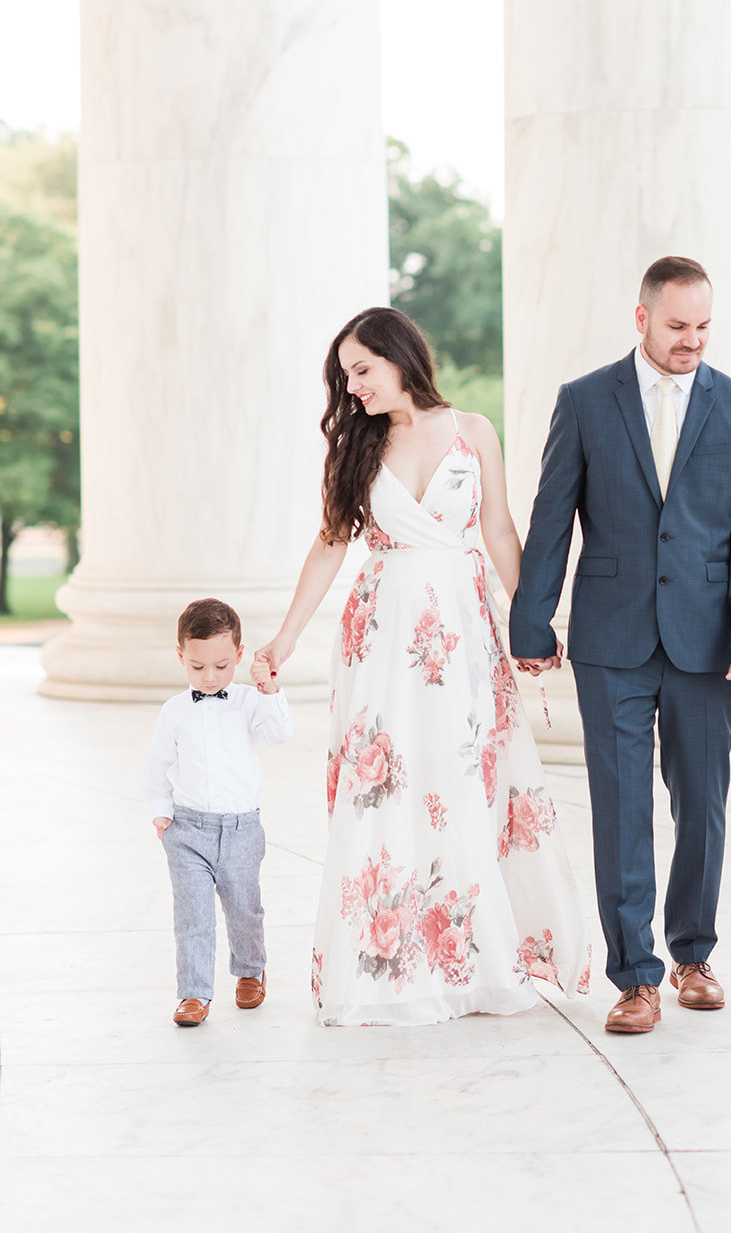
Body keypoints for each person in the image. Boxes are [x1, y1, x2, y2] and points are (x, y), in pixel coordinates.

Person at [257, 307, 588, 1026]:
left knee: (463, 776)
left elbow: (498, 526)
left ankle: (473, 960)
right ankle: (385, 969)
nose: (354, 387)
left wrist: (532, 621)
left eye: (362, 370)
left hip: (462, 628)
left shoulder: (473, 431)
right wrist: (285, 639)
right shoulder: (357, 443)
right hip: (383, 636)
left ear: (399, 356)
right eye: (346, 377)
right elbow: (329, 543)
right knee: (388, 784)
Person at [509, 256, 731, 1033]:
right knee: (620, 808)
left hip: (709, 641)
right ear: (642, 318)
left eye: (702, 327)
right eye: (676, 326)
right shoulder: (586, 401)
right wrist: (533, 622)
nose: (691, 341)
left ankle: (694, 955)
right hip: (611, 638)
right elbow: (552, 515)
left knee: (703, 804)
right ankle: (636, 977)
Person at [145, 597, 293, 1027]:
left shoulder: (249, 702)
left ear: (239, 657)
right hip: (187, 829)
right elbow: (158, 765)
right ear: (181, 657)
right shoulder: (173, 712)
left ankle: (250, 969)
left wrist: (269, 690)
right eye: (197, 667)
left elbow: (280, 733)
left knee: (244, 908)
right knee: (192, 915)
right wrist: (161, 813)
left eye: (222, 666)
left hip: (242, 829)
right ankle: (194, 993)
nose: (210, 677)